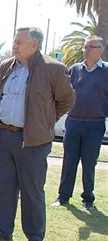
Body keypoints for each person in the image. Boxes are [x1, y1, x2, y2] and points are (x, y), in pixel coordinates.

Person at [0, 27, 75, 241]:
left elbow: (67, 100)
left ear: (34, 45)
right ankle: (1, 230)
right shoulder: (5, 66)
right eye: (14, 41)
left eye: (19, 42)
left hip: (33, 141)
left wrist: (45, 121)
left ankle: (34, 237)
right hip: (4, 135)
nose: (14, 45)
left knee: (32, 189)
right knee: (2, 185)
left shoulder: (53, 69)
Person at [53, 35, 108, 211]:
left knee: (89, 162)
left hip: (95, 124)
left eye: (90, 47)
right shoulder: (75, 69)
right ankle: (63, 196)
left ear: (101, 50)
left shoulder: (106, 71)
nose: (85, 50)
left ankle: (88, 199)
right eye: (85, 47)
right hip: (74, 122)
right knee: (69, 161)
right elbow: (64, 93)